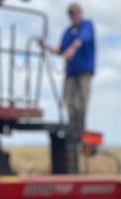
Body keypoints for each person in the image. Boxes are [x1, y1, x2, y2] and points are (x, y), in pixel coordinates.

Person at [40, 3, 95, 142]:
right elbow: (60, 50)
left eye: (75, 13)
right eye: (71, 14)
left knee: (81, 102)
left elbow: (81, 40)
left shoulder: (87, 25)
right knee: (69, 102)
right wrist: (45, 46)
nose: (73, 16)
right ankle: (73, 129)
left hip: (84, 72)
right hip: (70, 72)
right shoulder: (68, 31)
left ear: (80, 13)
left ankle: (81, 130)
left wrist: (72, 49)